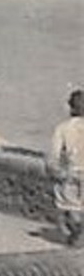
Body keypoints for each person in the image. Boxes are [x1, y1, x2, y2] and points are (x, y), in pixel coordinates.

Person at [46, 91, 84, 247]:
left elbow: (53, 156)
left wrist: (54, 171)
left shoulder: (63, 128)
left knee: (71, 207)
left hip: (71, 173)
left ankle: (76, 237)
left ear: (70, 107)